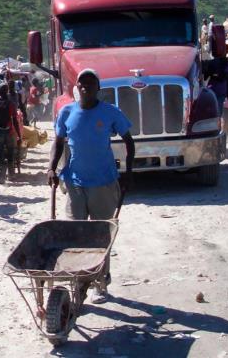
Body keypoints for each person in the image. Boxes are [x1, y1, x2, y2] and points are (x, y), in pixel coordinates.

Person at [48, 69, 135, 304]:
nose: (85, 87)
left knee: (100, 235)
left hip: (103, 183)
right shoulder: (67, 112)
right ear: (77, 87)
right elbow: (58, 143)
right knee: (77, 235)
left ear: (98, 88)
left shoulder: (110, 112)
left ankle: (100, 282)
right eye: (81, 83)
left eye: (90, 83)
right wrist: (51, 168)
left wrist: (128, 173)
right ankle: (79, 280)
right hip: (74, 182)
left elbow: (128, 141)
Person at [0, 84, 20, 183]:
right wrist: (18, 134)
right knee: (11, 154)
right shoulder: (11, 104)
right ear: (6, 92)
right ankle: (11, 175)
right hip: (9, 131)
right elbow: (15, 120)